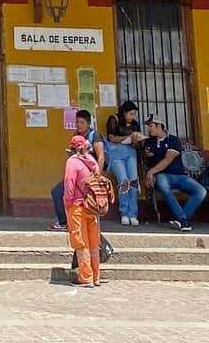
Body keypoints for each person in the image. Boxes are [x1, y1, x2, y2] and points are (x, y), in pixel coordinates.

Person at [142, 117, 206, 231]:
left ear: (159, 126)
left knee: (201, 191)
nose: (148, 129)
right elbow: (146, 157)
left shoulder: (173, 140)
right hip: (162, 175)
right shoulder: (149, 142)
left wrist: (151, 172)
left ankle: (181, 219)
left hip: (179, 176)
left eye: (151, 126)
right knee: (163, 184)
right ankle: (183, 220)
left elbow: (167, 160)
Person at [50, 110, 105, 231]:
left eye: (82, 122)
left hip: (89, 175)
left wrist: (97, 177)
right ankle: (65, 221)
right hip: (76, 174)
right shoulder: (76, 135)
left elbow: (100, 158)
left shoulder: (94, 136)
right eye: (77, 122)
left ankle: (72, 223)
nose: (79, 125)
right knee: (57, 192)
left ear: (88, 123)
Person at [62, 133, 103, 288]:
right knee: (94, 244)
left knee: (81, 243)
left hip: (77, 207)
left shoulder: (72, 162)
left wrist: (67, 205)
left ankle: (86, 277)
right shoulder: (92, 161)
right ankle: (96, 276)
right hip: (92, 207)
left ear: (72, 148)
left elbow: (69, 185)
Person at [104, 99, 145, 226]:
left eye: (134, 114)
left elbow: (137, 140)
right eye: (131, 114)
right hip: (116, 153)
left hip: (131, 152)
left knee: (133, 181)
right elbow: (111, 137)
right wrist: (127, 138)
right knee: (124, 181)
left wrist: (138, 139)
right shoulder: (114, 119)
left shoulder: (135, 124)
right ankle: (124, 213)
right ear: (124, 112)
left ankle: (133, 213)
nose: (133, 117)